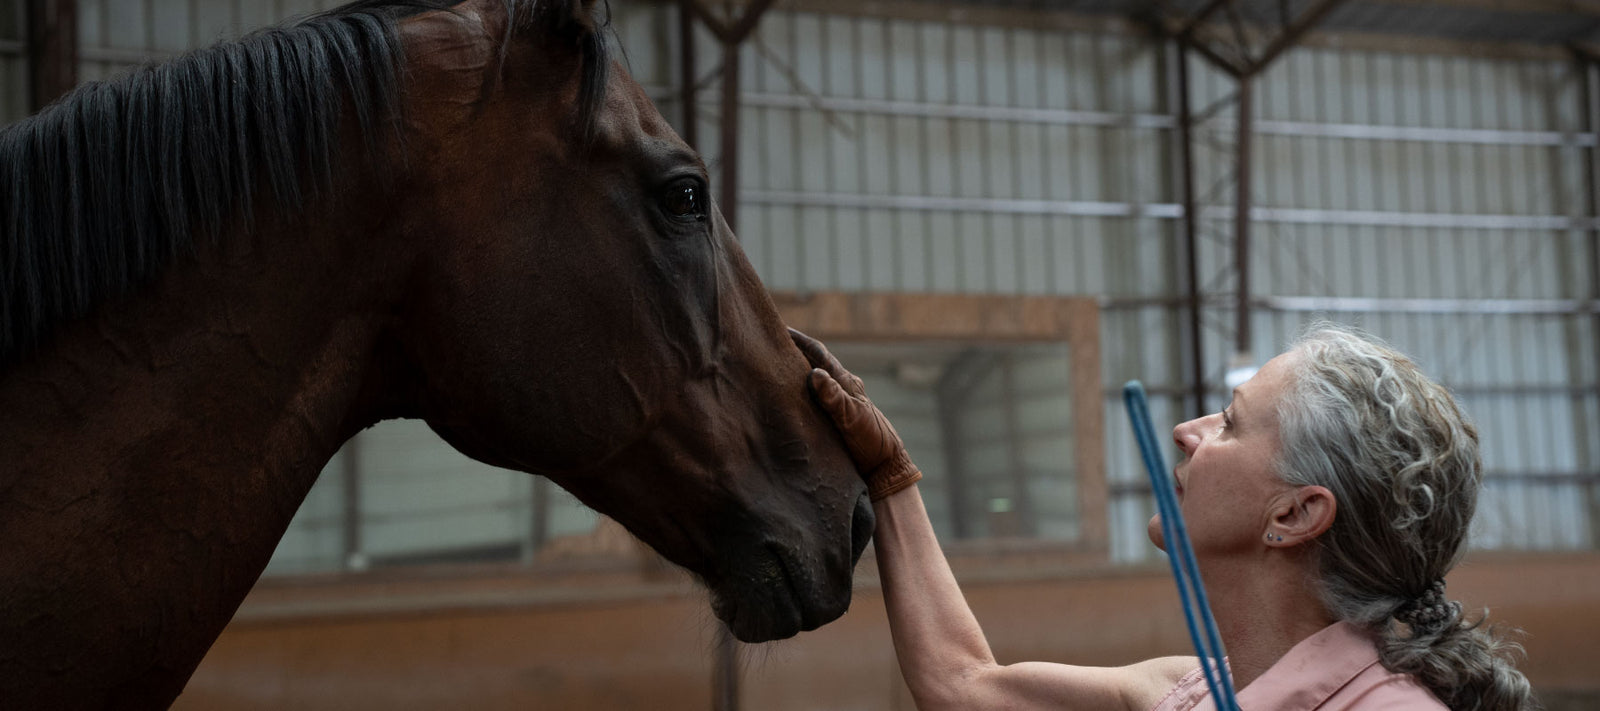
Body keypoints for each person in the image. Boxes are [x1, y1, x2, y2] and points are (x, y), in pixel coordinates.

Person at [790, 324, 1537, 711]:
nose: (1189, 429)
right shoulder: (1190, 689)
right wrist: (891, 478)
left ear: (1297, 511)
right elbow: (964, 686)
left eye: (1233, 424)